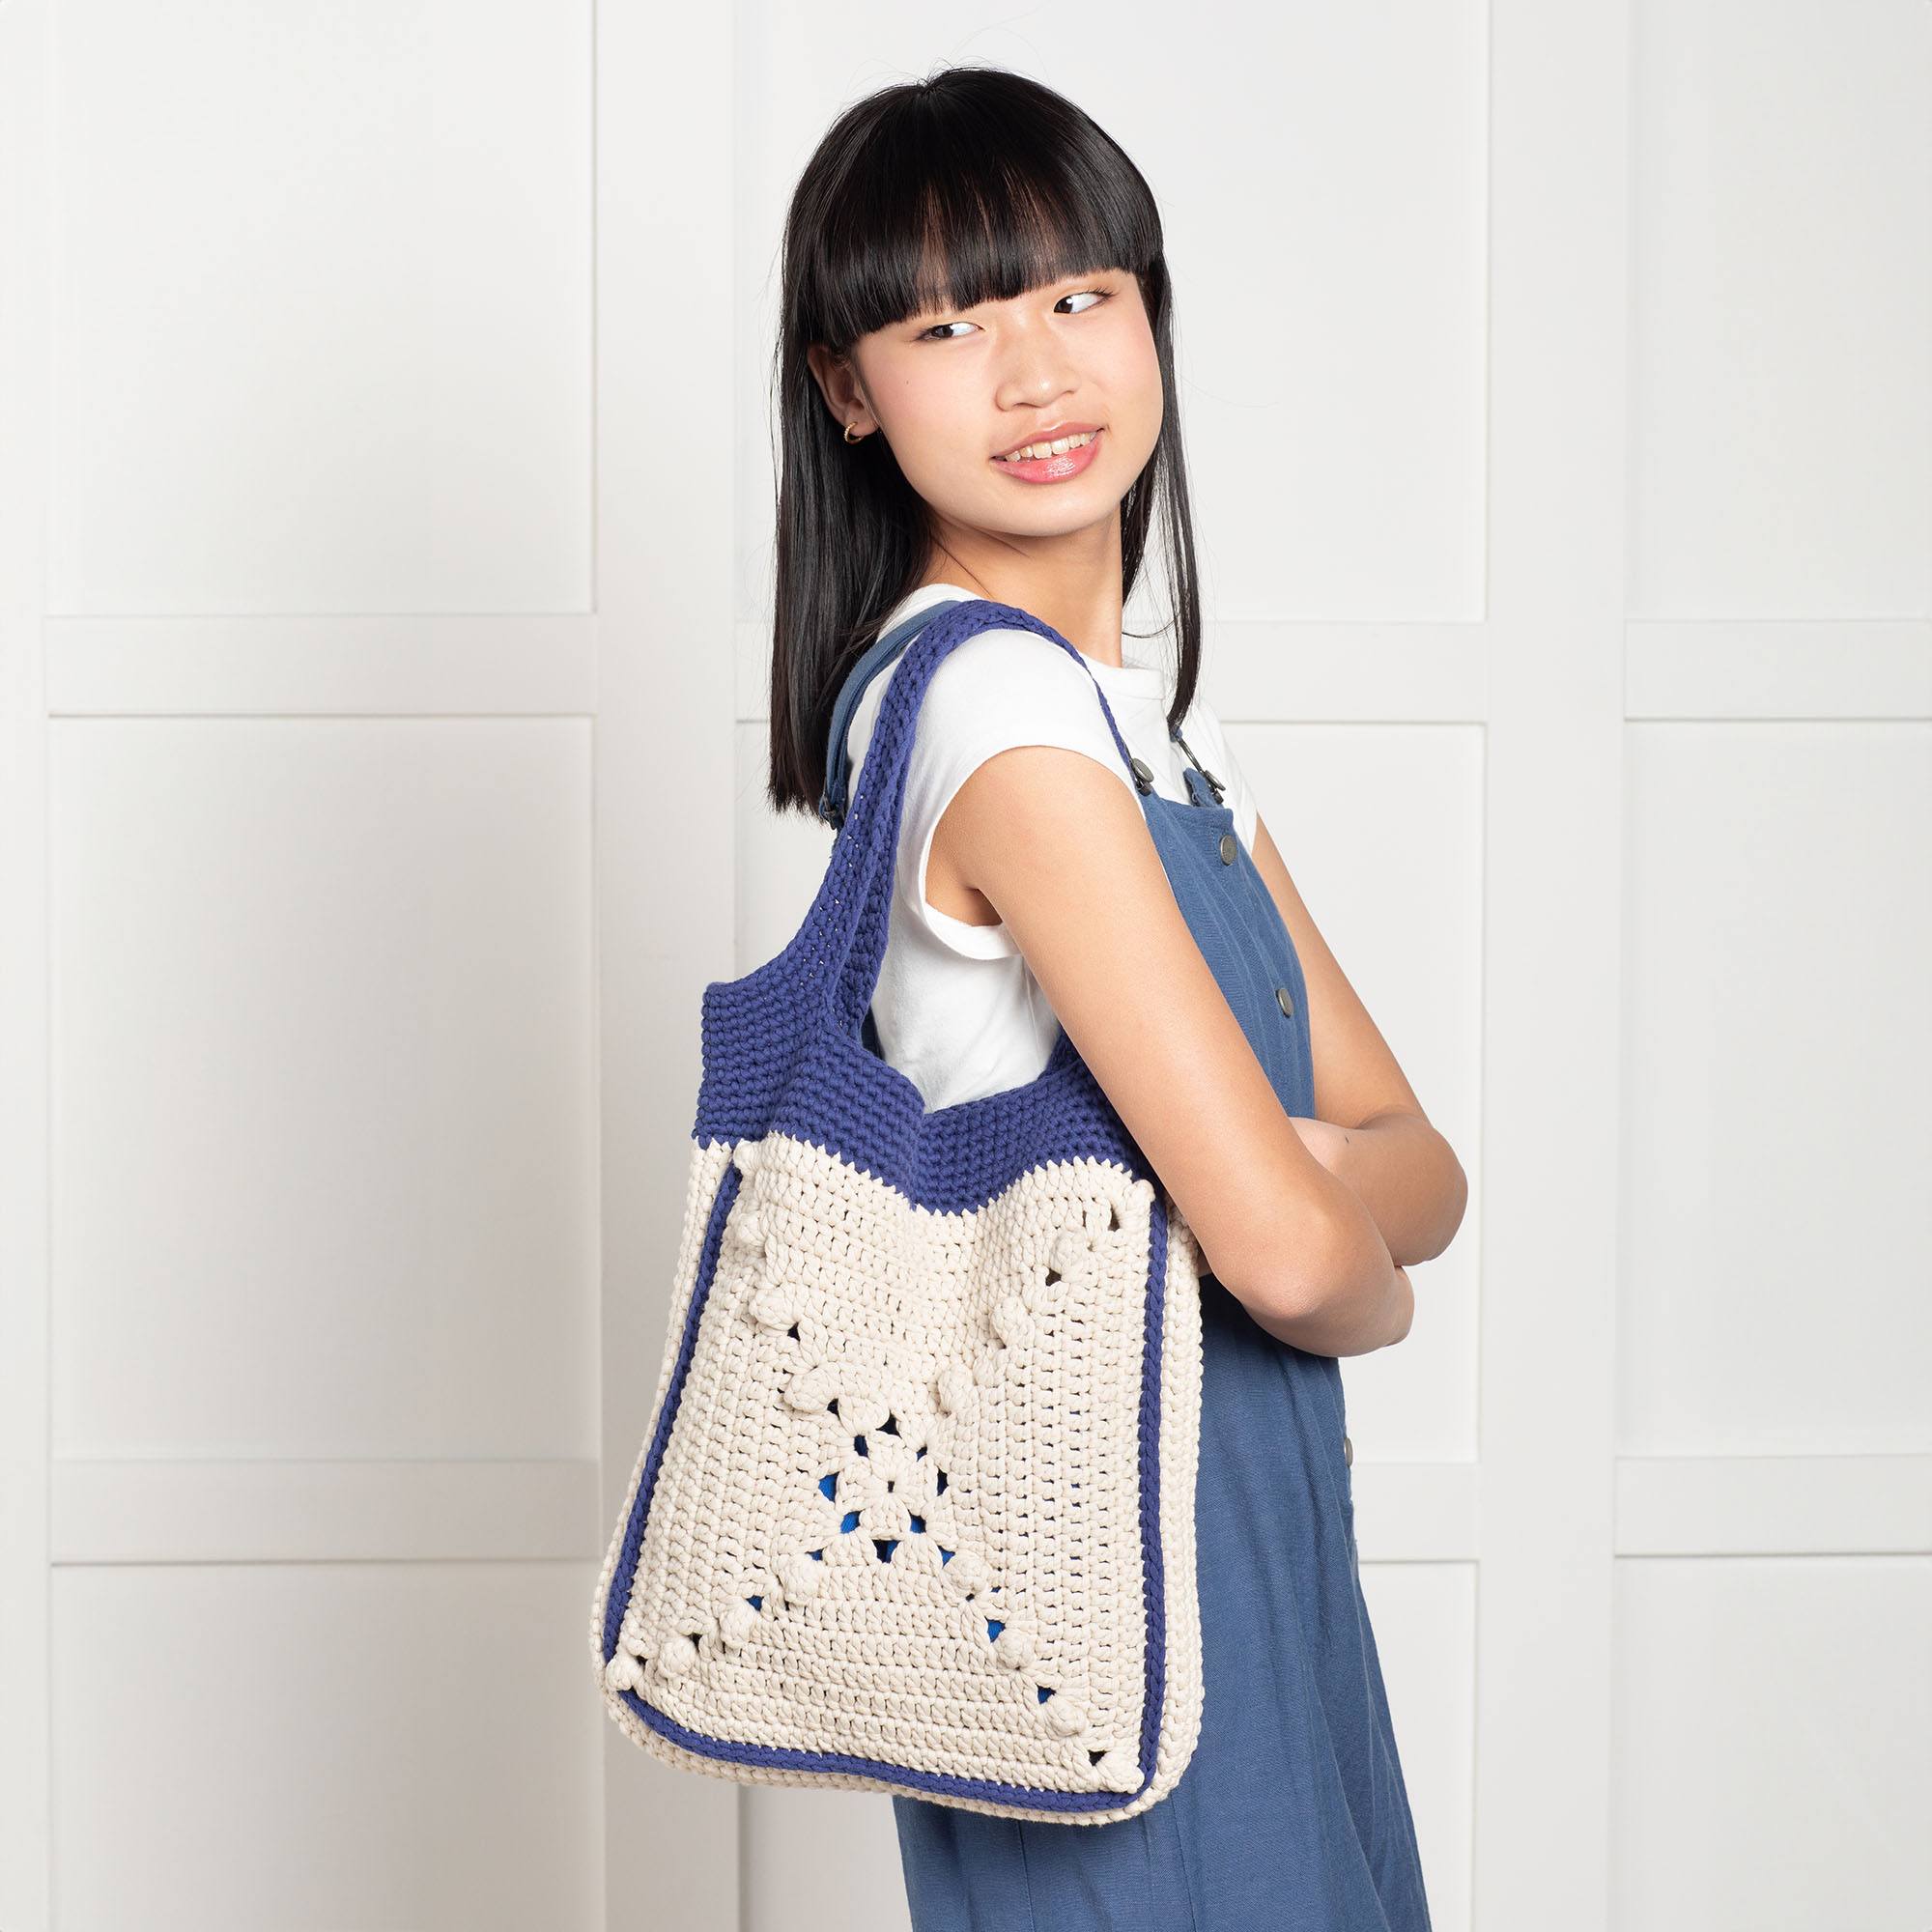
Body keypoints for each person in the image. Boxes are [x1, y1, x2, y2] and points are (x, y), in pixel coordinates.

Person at [761, 63, 1464, 1932]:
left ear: (1151, 314)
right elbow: (1304, 1260)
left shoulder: (1142, 730)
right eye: (946, 326)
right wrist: (1329, 1243)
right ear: (848, 386)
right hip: (1105, 1583)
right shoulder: (992, 711)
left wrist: (1306, 1182)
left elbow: (1422, 1160)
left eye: (1080, 296)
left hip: (1250, 1565)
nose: (1035, 373)